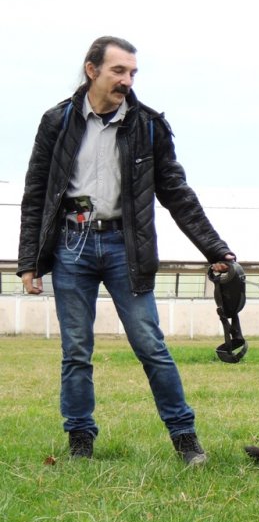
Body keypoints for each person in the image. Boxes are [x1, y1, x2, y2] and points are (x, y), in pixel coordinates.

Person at [17, 36, 235, 465]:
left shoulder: (148, 125)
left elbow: (177, 193)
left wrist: (216, 250)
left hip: (125, 248)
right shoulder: (56, 121)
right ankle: (80, 442)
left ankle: (186, 440)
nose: (127, 80)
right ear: (92, 70)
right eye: (119, 71)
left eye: (133, 72)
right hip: (71, 245)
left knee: (150, 345)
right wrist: (30, 263)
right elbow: (36, 194)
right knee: (76, 351)